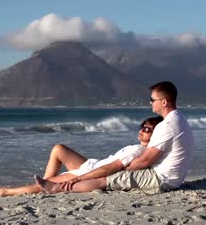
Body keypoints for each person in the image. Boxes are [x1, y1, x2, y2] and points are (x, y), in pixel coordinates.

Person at [35, 81, 195, 195]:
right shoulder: (179, 119)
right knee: (109, 174)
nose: (150, 103)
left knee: (106, 178)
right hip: (172, 178)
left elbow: (144, 161)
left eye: (153, 100)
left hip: (162, 180)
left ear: (164, 102)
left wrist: (119, 169)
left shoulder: (166, 125)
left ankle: (57, 188)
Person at [0, 116, 163, 197]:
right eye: (142, 126)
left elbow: (109, 169)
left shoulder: (138, 152)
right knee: (58, 149)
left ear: (155, 134)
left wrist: (80, 178)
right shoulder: (138, 148)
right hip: (91, 164)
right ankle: (44, 185)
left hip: (92, 171)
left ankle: (6, 192)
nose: (142, 130)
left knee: (54, 178)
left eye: (147, 129)